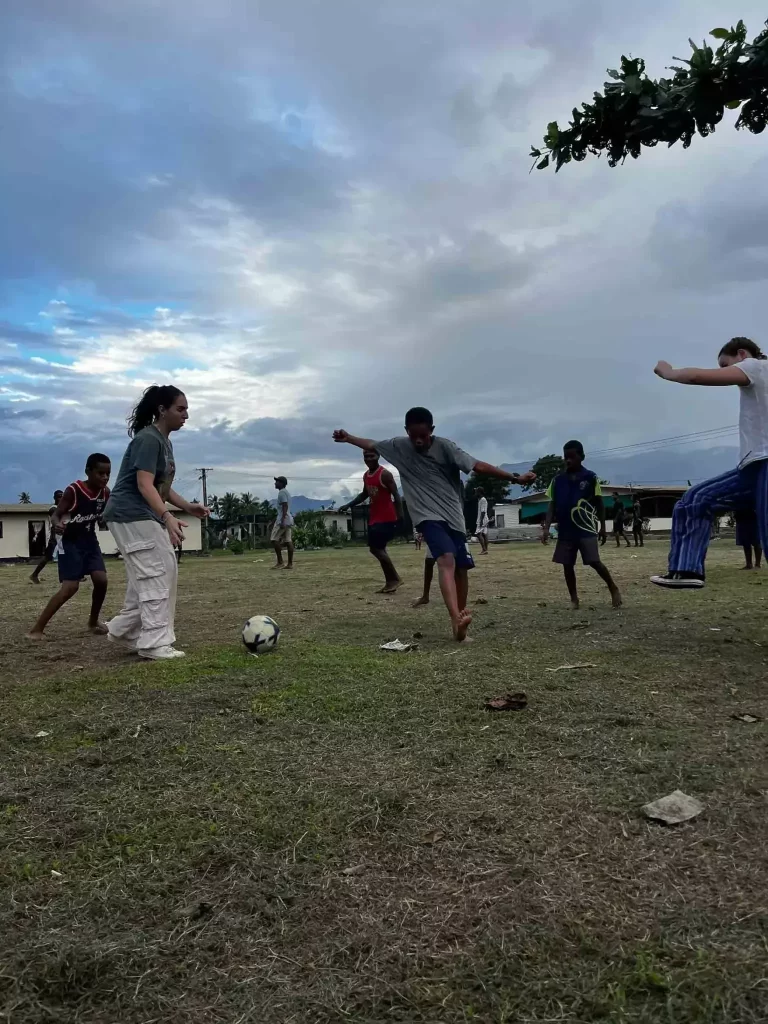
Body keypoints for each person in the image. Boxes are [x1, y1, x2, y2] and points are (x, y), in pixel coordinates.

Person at [333, 407, 535, 642]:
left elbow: (477, 466)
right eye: (413, 435)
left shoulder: (446, 447)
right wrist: (349, 439)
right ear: (406, 431)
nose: (418, 441)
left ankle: (460, 625)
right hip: (427, 517)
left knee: (461, 568)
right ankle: (455, 620)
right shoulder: (399, 446)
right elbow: (372, 444)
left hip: (454, 517)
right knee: (445, 561)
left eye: (424, 436)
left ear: (432, 430)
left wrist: (515, 478)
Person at [652, 338, 768, 589]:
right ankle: (686, 570)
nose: (727, 373)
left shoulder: (756, 366)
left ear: (741, 353)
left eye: (726, 365)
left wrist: (668, 372)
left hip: (764, 463)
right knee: (695, 499)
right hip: (752, 468)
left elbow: (697, 377)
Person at [103, 384, 209, 659]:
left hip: (141, 514)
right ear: (162, 410)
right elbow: (143, 485)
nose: (186, 415)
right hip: (130, 514)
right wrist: (166, 516)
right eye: (180, 409)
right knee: (158, 571)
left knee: (154, 572)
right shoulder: (148, 439)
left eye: (187, 410)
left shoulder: (164, 442)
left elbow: (162, 486)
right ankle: (154, 643)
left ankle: (126, 631)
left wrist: (187, 506)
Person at [27, 457, 111, 639]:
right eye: (100, 473)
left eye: (108, 474)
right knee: (70, 588)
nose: (105, 477)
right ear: (88, 471)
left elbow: (101, 516)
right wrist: (57, 524)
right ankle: (36, 629)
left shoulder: (105, 494)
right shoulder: (74, 490)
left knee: (101, 580)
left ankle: (92, 621)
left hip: (90, 540)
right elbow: (56, 515)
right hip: (69, 542)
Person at [542, 440, 622, 609]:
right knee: (567, 564)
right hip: (565, 530)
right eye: (565, 457)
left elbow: (600, 503)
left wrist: (602, 527)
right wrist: (546, 528)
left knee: (594, 561)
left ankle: (613, 587)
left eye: (572, 456)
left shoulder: (591, 478)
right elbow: (551, 504)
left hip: (585, 528)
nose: (568, 460)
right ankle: (574, 599)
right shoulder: (557, 481)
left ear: (582, 457)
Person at [339, 449, 404, 592]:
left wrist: (400, 517)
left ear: (378, 456)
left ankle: (394, 579)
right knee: (379, 549)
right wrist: (348, 505)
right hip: (375, 518)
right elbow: (364, 494)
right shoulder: (366, 476)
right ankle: (391, 581)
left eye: (371, 456)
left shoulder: (385, 474)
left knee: (376, 549)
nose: (368, 458)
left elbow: (396, 496)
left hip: (386, 518)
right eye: (365, 456)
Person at [29, 489, 64, 583]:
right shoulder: (53, 508)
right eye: (58, 496)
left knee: (65, 554)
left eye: (62, 496)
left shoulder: (63, 508)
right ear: (55, 498)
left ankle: (67, 577)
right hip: (55, 533)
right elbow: (57, 520)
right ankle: (34, 575)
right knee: (48, 556)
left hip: (63, 533)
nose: (61, 498)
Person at [271, 476, 294, 569]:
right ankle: (290, 564)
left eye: (277, 482)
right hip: (289, 519)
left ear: (281, 483)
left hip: (283, 520)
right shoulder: (286, 493)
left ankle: (280, 562)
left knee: (274, 539)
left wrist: (282, 520)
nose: (275, 483)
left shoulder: (281, 493)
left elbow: (285, 506)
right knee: (288, 541)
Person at [475, 487, 490, 554]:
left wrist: (481, 521)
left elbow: (483, 511)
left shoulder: (483, 500)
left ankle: (484, 549)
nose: (475, 493)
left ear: (479, 492)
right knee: (484, 534)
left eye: (476, 492)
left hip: (482, 519)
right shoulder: (480, 500)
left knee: (478, 533)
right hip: (484, 519)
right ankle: (485, 550)